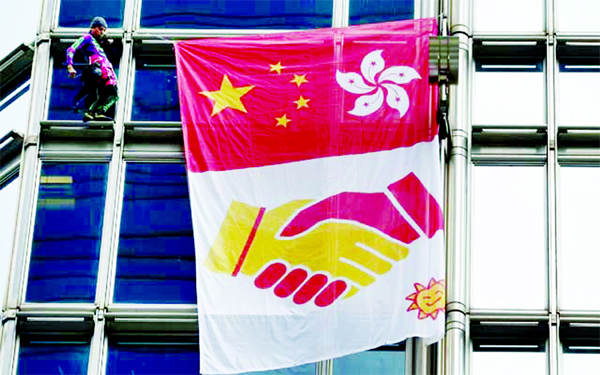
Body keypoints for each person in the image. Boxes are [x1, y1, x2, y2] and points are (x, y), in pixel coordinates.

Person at [66, 17, 120, 121]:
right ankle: (88, 110)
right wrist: (70, 66)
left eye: (104, 30)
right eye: (100, 29)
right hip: (98, 69)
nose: (102, 32)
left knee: (113, 94)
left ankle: (98, 112)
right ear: (92, 28)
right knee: (96, 92)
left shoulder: (99, 43)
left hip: (107, 70)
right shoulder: (87, 37)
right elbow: (71, 48)